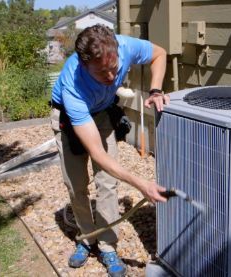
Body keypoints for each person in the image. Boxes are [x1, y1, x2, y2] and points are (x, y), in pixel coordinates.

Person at [49, 24, 169, 277]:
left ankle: (106, 245)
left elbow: (160, 53)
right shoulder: (74, 86)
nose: (112, 77)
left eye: (114, 68)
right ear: (84, 65)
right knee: (76, 185)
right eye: (102, 72)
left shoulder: (124, 46)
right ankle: (86, 237)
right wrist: (142, 184)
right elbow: (98, 155)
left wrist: (156, 89)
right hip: (68, 118)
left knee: (108, 183)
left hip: (101, 112)